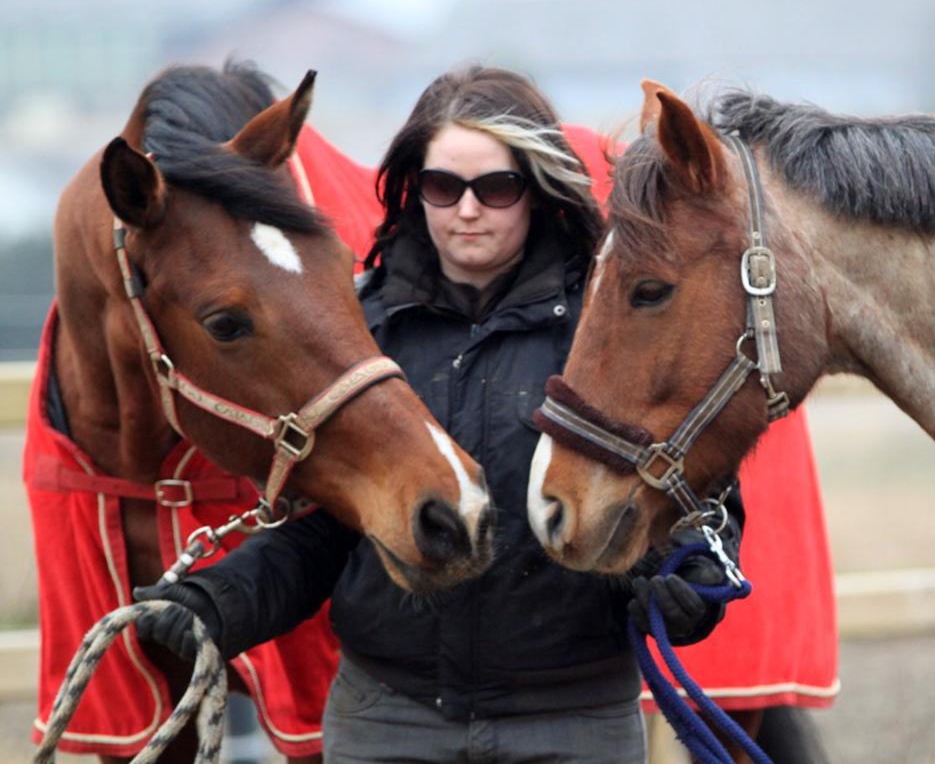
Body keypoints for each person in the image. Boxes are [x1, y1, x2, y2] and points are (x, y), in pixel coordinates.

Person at [135, 64, 740, 763]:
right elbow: (319, 535)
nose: (468, 209)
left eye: (497, 187)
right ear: (414, 188)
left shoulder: (604, 335)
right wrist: (221, 602)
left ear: (536, 192)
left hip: (573, 721)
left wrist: (691, 583)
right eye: (443, 186)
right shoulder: (359, 334)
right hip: (389, 720)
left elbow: (702, 502)